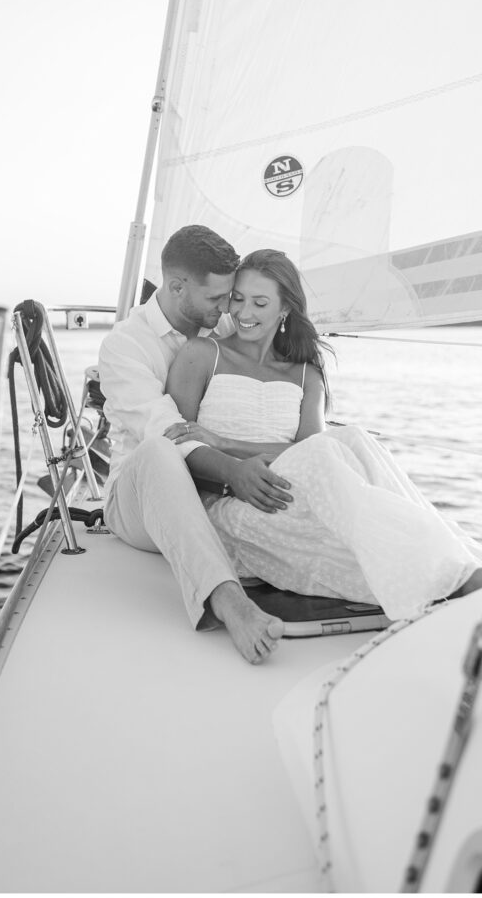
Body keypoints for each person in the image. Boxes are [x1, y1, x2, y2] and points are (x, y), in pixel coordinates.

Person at [164, 248, 482, 622]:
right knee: (340, 454)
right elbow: (176, 450)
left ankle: (461, 566)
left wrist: (226, 441)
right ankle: (460, 575)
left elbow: (312, 455)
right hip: (233, 505)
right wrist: (227, 465)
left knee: (352, 440)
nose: (243, 313)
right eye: (238, 299)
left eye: (259, 302)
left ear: (285, 310)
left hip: (297, 492)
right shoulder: (202, 354)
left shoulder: (305, 373)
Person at [98, 225, 287, 664]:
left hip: (213, 491)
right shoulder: (125, 346)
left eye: (230, 298)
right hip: (138, 500)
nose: (227, 310)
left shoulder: (221, 325)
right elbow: (167, 430)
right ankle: (227, 602)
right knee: (160, 449)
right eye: (217, 298)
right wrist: (235, 472)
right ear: (177, 286)